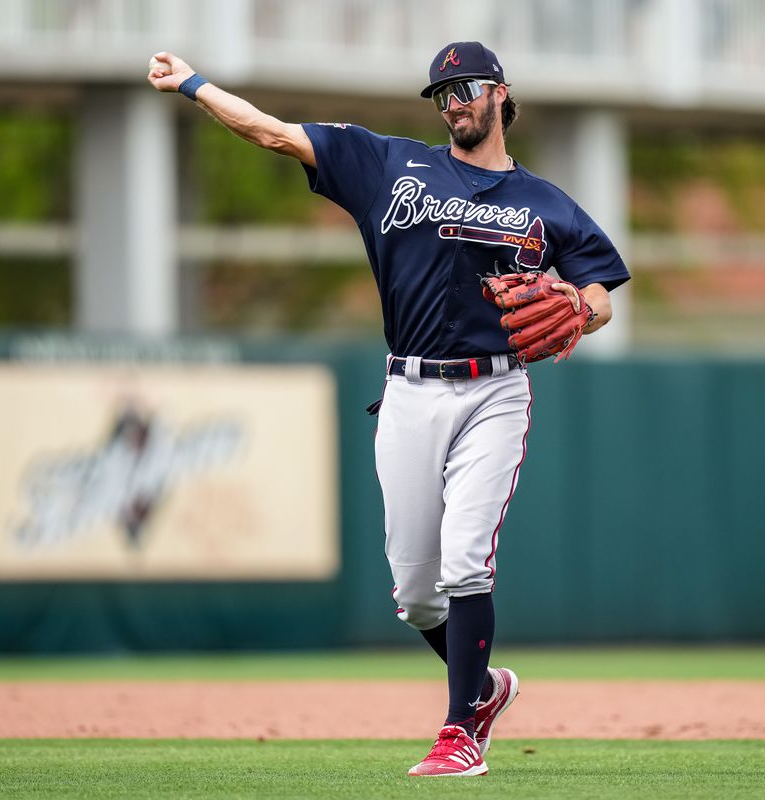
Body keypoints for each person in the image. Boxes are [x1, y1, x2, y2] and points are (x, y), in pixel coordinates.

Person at [148, 40, 630, 777]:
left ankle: (458, 732)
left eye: (465, 88)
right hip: (408, 388)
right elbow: (272, 131)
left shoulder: (546, 204)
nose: (453, 103)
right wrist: (193, 85)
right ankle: (486, 689)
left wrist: (579, 306)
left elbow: (598, 292)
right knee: (414, 592)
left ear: (500, 93)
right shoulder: (387, 164)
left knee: (468, 557)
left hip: (494, 390)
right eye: (441, 94)